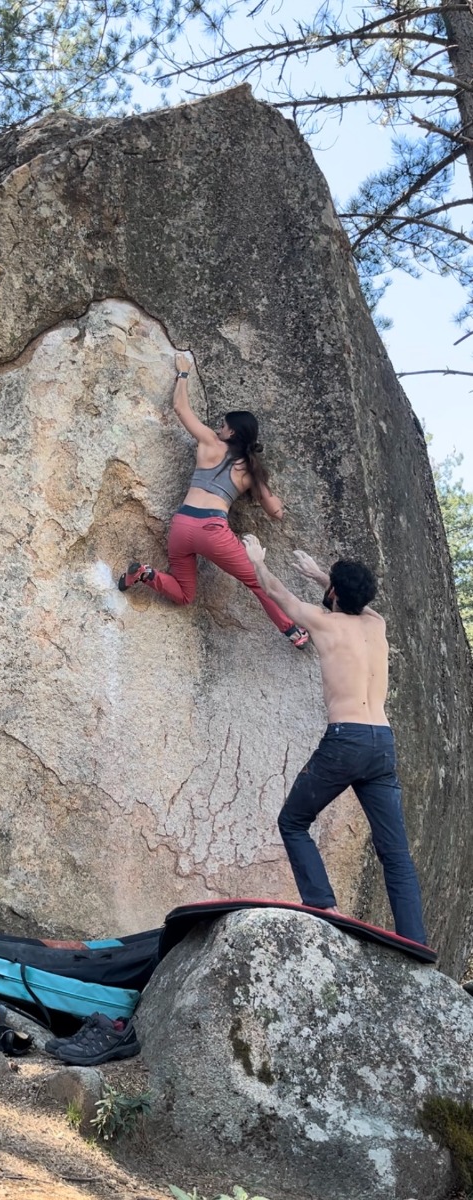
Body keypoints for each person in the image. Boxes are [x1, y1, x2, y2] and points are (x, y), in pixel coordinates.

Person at [241, 534, 428, 946]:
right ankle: (415, 939)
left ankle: (323, 905)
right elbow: (359, 599)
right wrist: (320, 575)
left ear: (334, 594)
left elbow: (276, 592)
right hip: (382, 744)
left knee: (292, 821)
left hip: (346, 741)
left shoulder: (324, 621)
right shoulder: (376, 624)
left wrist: (257, 559)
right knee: (394, 853)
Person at [118, 353, 309, 648]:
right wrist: (266, 487)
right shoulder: (251, 471)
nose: (219, 428)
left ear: (231, 431)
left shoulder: (209, 443)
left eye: (223, 425)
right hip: (212, 530)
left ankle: (145, 573)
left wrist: (183, 373)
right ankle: (292, 631)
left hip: (181, 525)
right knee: (258, 581)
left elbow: (180, 407)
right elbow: (277, 512)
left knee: (184, 594)